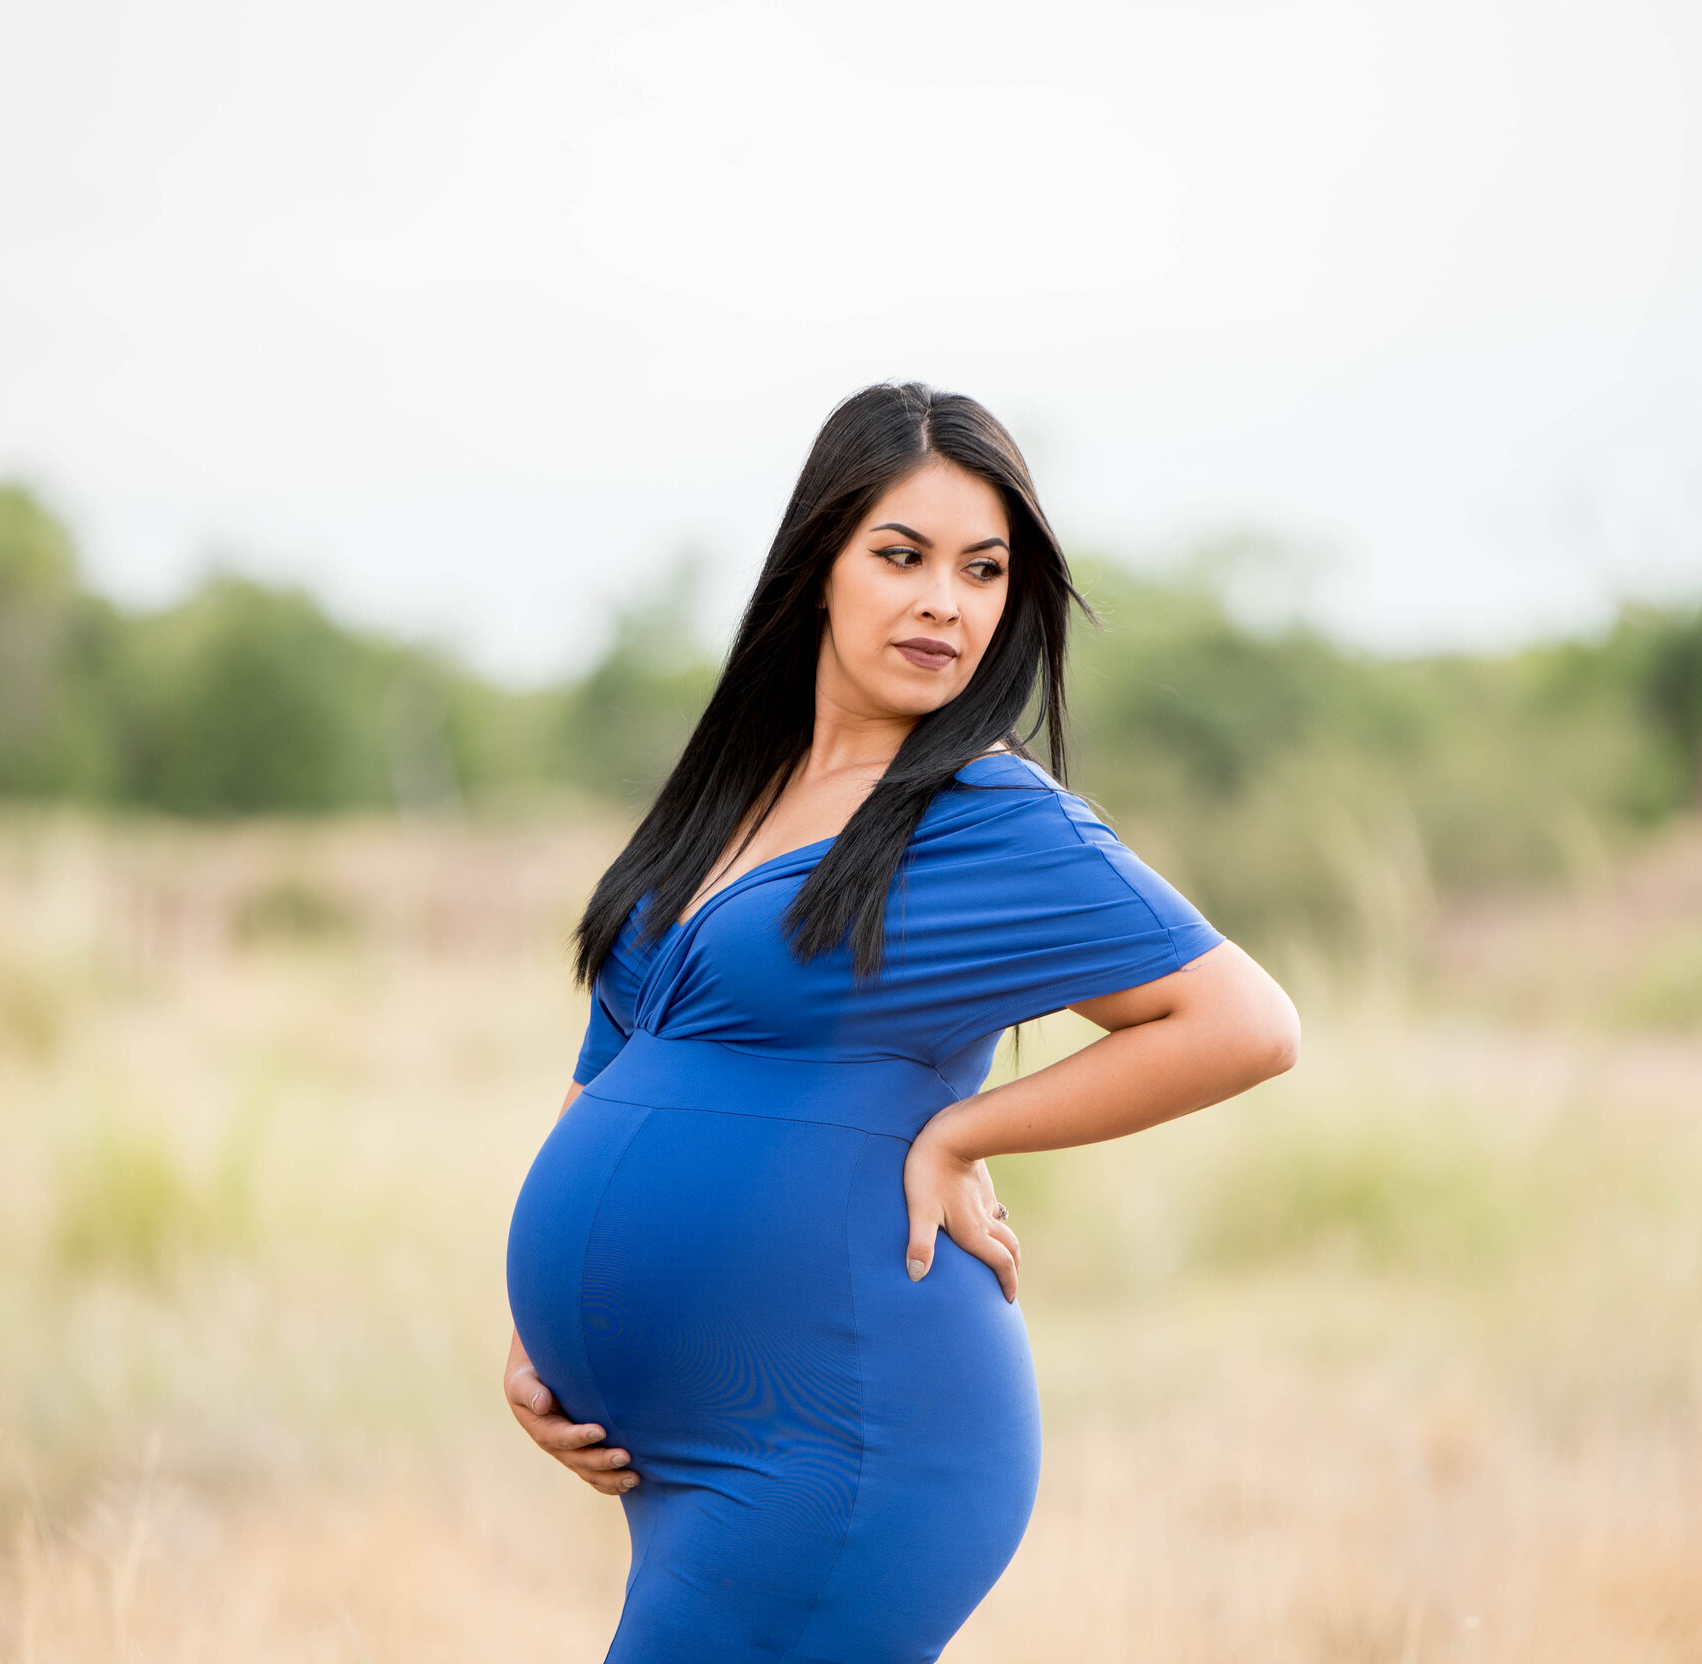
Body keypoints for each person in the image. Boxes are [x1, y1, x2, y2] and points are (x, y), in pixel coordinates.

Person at [501, 382, 1300, 1662]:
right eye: (902, 555)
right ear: (818, 560)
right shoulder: (730, 793)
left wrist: (959, 1129)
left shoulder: (985, 817)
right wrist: (540, 1334)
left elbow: (1244, 1020)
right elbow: (609, 1070)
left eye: (983, 570)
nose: (946, 601)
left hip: (851, 1434)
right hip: (686, 1447)